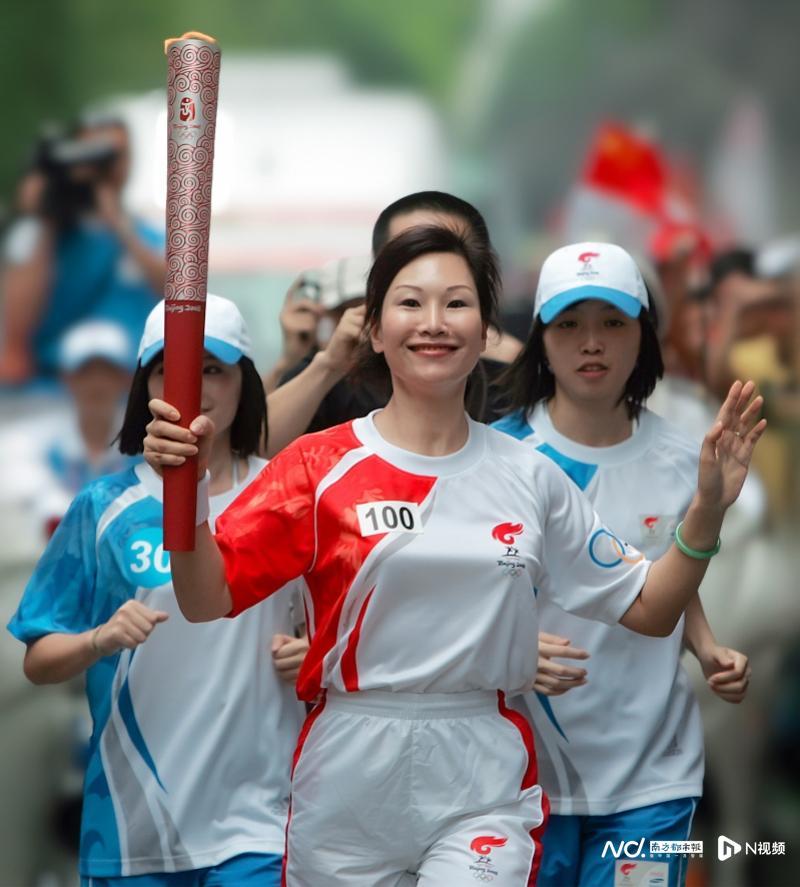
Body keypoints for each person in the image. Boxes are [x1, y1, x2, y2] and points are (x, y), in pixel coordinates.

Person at [143, 226, 764, 886]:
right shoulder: (317, 466)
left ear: (485, 330)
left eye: (457, 303)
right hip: (348, 765)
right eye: (410, 302)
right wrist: (188, 493)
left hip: (481, 768)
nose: (434, 322)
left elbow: (650, 608)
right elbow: (204, 597)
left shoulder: (530, 476)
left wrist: (707, 508)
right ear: (375, 330)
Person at [7, 294, 306, 886]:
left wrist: (314, 650)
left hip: (261, 824)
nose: (191, 387)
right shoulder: (103, 507)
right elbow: (38, 660)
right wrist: (98, 639)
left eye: (212, 369)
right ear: (145, 386)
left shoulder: (287, 496)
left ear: (245, 382)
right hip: (132, 830)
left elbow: (346, 625)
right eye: (169, 369)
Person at [493, 242, 752, 887]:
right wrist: (511, 642)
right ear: (541, 339)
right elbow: (466, 589)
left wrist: (706, 647)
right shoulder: (498, 456)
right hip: (527, 773)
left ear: (643, 337)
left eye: (613, 322)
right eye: (569, 324)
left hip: (650, 770)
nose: (592, 343)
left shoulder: (684, 457)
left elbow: (662, 570)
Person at [265, 190, 521, 456]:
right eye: (409, 251)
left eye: (455, 303)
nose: (432, 324)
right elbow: (256, 451)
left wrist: (522, 366)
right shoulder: (335, 371)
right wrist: (327, 366)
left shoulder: (509, 381)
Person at [0, 116, 166, 384]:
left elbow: (177, 294)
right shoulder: (42, 236)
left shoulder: (149, 238)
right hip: (54, 387)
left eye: (113, 156)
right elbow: (16, 327)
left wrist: (118, 224)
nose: (102, 169)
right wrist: (43, 216)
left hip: (129, 388)